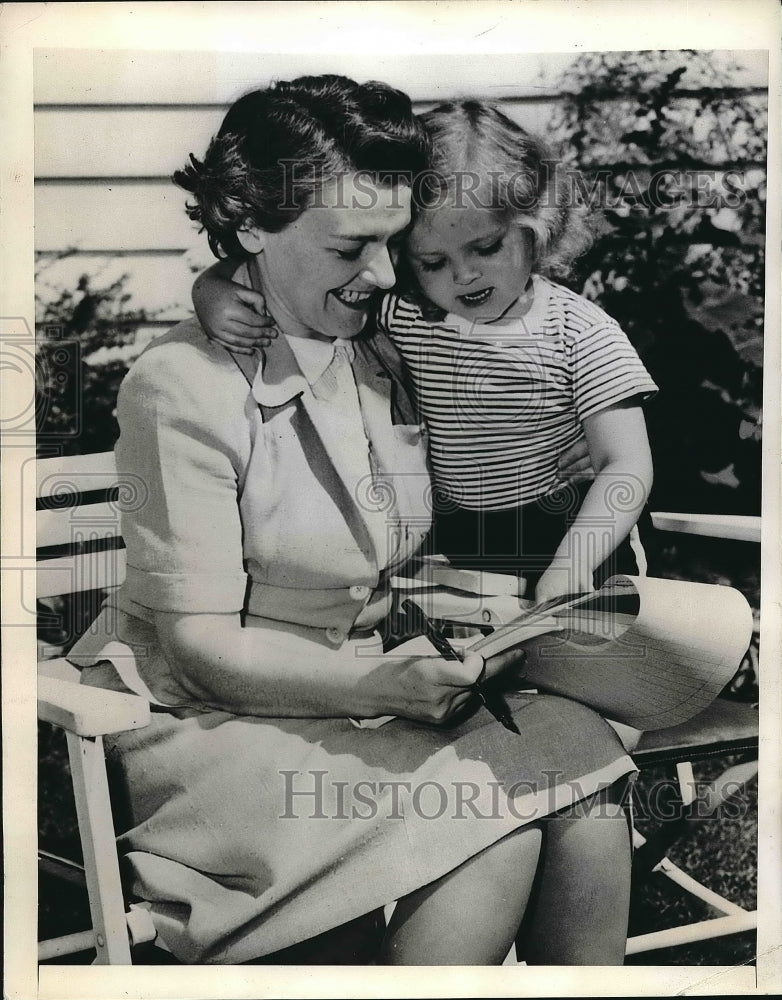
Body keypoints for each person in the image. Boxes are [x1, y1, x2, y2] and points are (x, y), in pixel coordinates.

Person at [69, 75, 637, 966]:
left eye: (393, 244)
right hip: (212, 721)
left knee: (585, 767)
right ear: (252, 224)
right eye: (350, 250)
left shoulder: (383, 341)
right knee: (494, 824)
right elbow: (202, 650)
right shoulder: (183, 389)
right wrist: (377, 690)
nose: (384, 275)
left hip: (372, 691)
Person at [195, 100, 657, 605]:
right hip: (457, 537)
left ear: (537, 225)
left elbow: (627, 464)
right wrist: (213, 286)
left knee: (589, 659)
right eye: (433, 261)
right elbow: (272, 271)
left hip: (575, 534)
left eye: (486, 248)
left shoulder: (579, 331)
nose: (464, 275)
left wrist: (574, 563)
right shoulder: (404, 313)